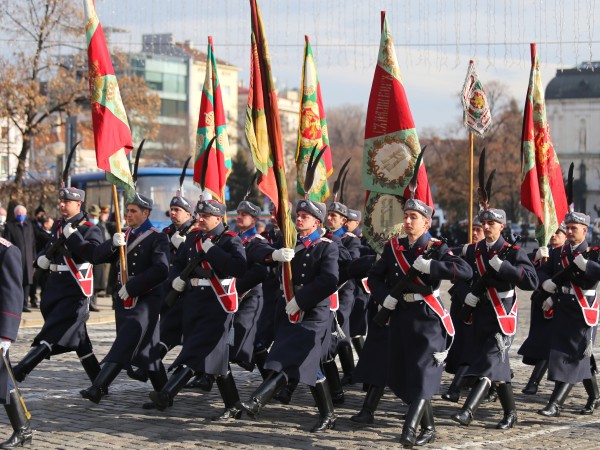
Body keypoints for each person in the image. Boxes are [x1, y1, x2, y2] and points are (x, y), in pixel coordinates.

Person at [368, 198, 472, 447]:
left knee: (424, 372)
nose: (407, 221)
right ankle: (429, 428)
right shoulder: (394, 246)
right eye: (405, 216)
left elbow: (465, 271)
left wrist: (433, 266)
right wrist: (385, 299)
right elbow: (375, 277)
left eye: (413, 217)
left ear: (426, 223)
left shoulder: (437, 247)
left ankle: (409, 430)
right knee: (410, 375)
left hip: (427, 318)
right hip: (401, 315)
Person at [148, 193, 247, 414]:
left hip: (217, 304)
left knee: (195, 350)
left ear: (219, 218)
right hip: (193, 303)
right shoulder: (193, 238)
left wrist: (213, 250)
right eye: (200, 215)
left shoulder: (231, 239)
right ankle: (234, 405)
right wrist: (176, 279)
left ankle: (167, 393)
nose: (200, 219)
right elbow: (178, 263)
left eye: (206, 216)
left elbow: (238, 268)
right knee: (215, 358)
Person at [77, 193, 170, 404]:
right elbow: (95, 257)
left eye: (133, 211)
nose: (128, 214)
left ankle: (98, 386)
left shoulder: (157, 237)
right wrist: (111, 244)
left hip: (145, 299)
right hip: (123, 299)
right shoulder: (124, 234)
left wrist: (134, 286)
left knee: (126, 340)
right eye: (127, 210)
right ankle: (164, 395)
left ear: (146, 213)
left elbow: (161, 270)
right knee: (148, 348)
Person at [451, 208, 538, 431]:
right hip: (480, 314)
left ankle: (468, 411)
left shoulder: (512, 252)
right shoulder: (475, 250)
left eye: (492, 223)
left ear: (502, 226)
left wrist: (505, 267)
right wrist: (468, 293)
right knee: (498, 368)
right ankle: (511, 414)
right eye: (484, 222)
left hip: (502, 315)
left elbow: (531, 281)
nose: (487, 226)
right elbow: (460, 268)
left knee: (490, 362)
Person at [12, 187, 103, 386]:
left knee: (53, 332)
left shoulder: (88, 227)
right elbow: (51, 247)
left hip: (75, 290)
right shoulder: (59, 225)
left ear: (78, 204)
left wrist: (74, 237)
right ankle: (100, 384)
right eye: (61, 201)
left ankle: (20, 370)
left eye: (67, 202)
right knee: (80, 342)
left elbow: (94, 254)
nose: (61, 205)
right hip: (55, 288)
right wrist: (41, 258)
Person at [537, 211, 600, 417]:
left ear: (585, 230)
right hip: (563, 306)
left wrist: (588, 266)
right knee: (571, 355)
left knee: (574, 356)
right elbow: (543, 271)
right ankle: (595, 396)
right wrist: (547, 286)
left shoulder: (593, 252)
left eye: (574, 228)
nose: (570, 232)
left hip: (583, 309)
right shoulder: (559, 252)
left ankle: (555, 404)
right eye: (568, 228)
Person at [518, 223, 567, 395]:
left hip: (560, 304)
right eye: (551, 232)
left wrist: (553, 293)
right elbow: (528, 269)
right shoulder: (546, 253)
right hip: (540, 302)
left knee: (553, 344)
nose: (554, 235)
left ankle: (534, 383)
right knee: (543, 342)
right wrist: (537, 258)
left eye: (558, 232)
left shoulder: (568, 254)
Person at [442, 216, 485, 403]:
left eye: (479, 230)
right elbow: (453, 269)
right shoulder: (466, 250)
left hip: (483, 307)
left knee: (475, 347)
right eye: (473, 229)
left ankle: (456, 388)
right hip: (461, 303)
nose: (474, 233)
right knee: (460, 345)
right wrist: (464, 292)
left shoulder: (499, 253)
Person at [0, 237, 33, 448]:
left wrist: (5, 335)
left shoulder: (6, 251)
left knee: (3, 378)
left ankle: (23, 430)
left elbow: (12, 293)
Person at [325, 202, 361, 388]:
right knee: (338, 331)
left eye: (334, 216)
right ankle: (349, 371)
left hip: (343, 290)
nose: (330, 218)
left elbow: (351, 263)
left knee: (338, 328)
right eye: (329, 214)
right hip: (325, 292)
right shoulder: (322, 236)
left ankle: (348, 372)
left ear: (343, 220)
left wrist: (335, 242)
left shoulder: (350, 239)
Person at [3, 206, 36, 312]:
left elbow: (33, 242)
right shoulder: (10, 225)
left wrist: (34, 257)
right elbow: (7, 242)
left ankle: (24, 304)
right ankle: (15, 303)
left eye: (23, 213)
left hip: (28, 257)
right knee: (17, 280)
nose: (21, 215)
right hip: (16, 258)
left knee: (27, 281)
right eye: (19, 213)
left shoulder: (28, 225)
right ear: (15, 214)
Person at [87, 204, 109, 312]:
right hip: (88, 257)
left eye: (96, 216)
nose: (94, 218)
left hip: (99, 257)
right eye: (92, 216)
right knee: (89, 281)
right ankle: (89, 303)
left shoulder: (101, 226)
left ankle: (93, 301)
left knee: (96, 283)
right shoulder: (85, 225)